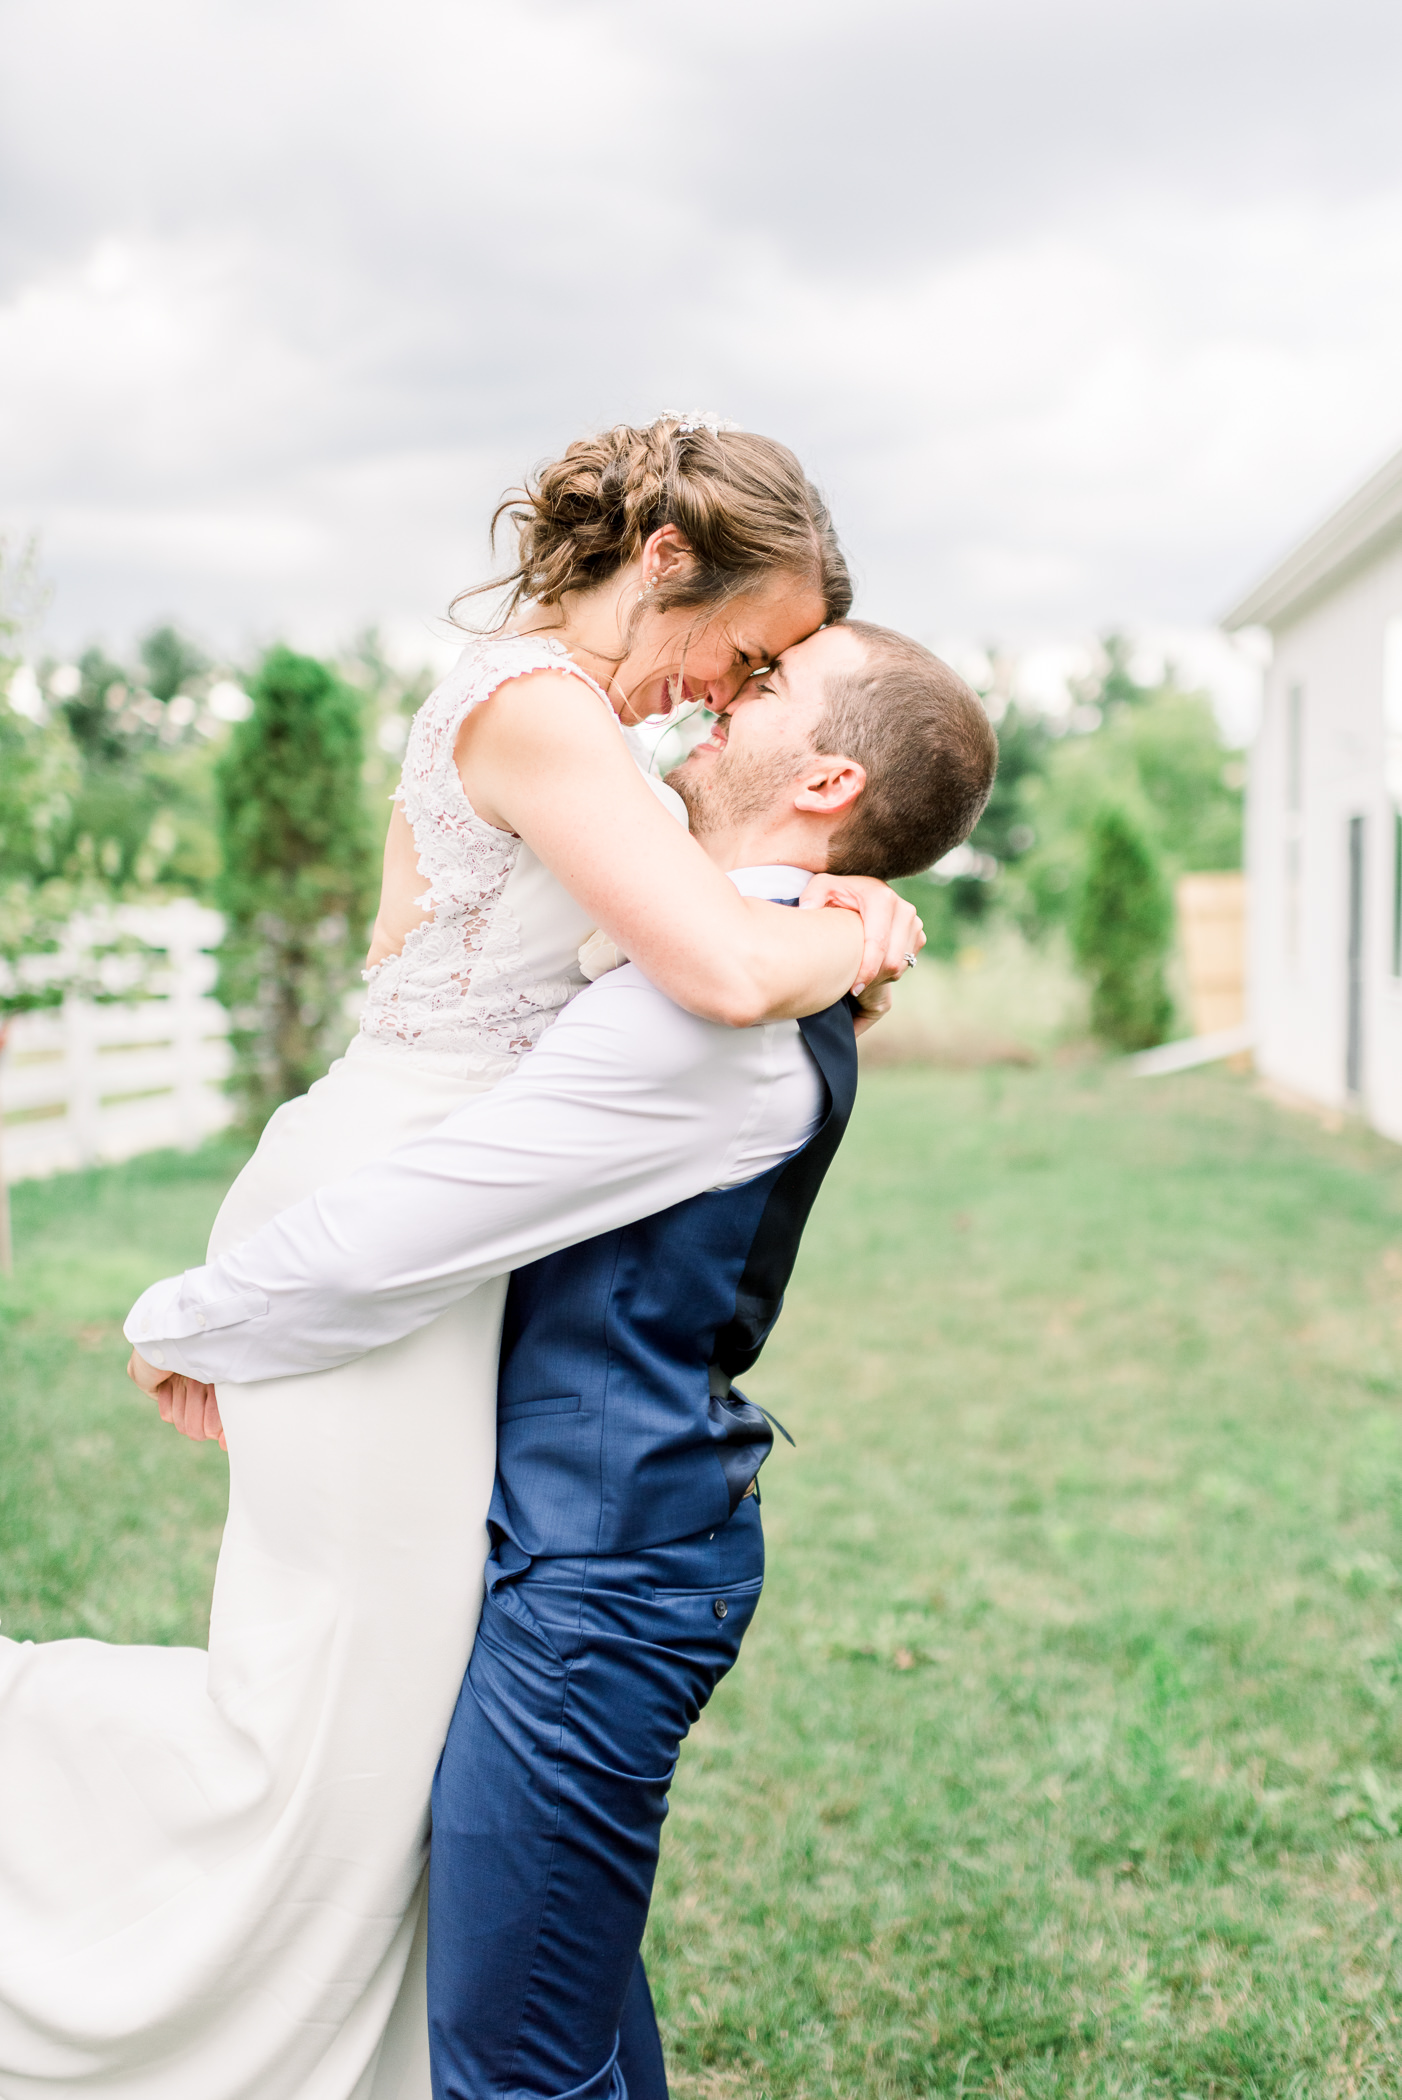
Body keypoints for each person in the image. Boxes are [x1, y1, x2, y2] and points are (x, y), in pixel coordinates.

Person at [0, 420, 922, 2100]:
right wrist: (855, 917)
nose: (731, 691)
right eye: (750, 646)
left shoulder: (573, 734)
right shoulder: (537, 711)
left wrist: (822, 905)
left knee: (381, 1724)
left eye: (769, 679)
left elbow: (619, 945)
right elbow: (717, 967)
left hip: (423, 1223)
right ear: (664, 564)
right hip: (389, 1222)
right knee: (331, 1731)